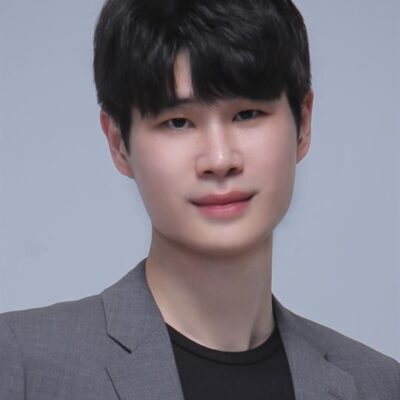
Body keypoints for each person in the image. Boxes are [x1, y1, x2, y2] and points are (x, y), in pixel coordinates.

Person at [0, 0, 399, 398]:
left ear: (304, 124)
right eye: (178, 122)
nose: (220, 160)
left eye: (247, 114)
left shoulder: (379, 384)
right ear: (119, 143)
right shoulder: (22, 362)